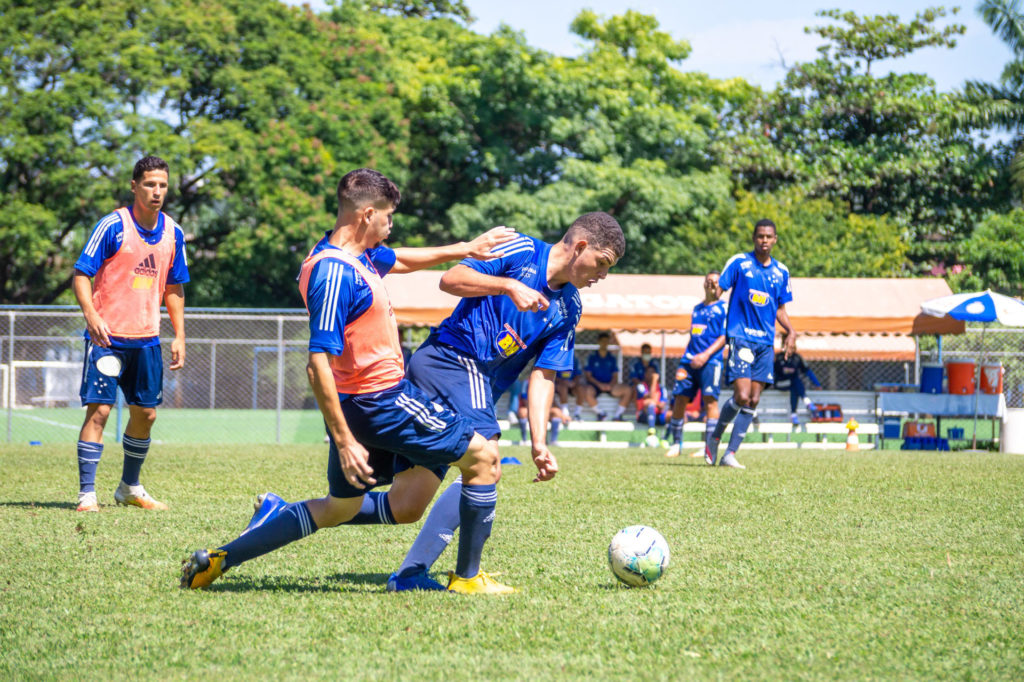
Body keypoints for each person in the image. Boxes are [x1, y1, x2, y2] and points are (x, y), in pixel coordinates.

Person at [180, 168, 522, 595]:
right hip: (379, 403)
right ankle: (469, 579)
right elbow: (317, 361)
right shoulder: (336, 273)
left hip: (365, 405)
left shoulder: (357, 254)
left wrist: (465, 248)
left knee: (355, 508)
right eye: (389, 217)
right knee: (483, 459)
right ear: (366, 214)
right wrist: (344, 442)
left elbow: (400, 260)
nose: (391, 226)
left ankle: (219, 560)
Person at [387, 212, 625, 591]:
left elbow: (544, 375)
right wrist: (507, 287)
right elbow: (451, 279)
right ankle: (467, 578)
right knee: (489, 462)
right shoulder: (521, 250)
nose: (602, 275)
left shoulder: (570, 307)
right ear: (580, 247)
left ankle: (297, 518)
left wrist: (539, 442)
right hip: (452, 360)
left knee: (406, 505)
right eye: (602, 263)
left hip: (475, 385)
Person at [71, 156, 189, 512]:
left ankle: (129, 487)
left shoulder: (174, 233)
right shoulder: (112, 226)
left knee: (146, 414)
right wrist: (91, 315)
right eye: (150, 184)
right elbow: (81, 274)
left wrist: (180, 335)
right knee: (100, 411)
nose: (157, 191)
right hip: (107, 339)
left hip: (147, 340)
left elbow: (174, 287)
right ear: (134, 186)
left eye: (163, 185)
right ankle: (87, 493)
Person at [705, 219, 796, 469]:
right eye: (760, 236)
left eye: (768, 237)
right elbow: (719, 291)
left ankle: (730, 454)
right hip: (741, 336)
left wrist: (791, 331)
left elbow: (780, 309)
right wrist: (713, 292)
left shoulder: (781, 272)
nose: (764, 240)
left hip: (765, 342)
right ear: (753, 238)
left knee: (754, 400)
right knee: (742, 395)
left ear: (775, 239)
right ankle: (714, 437)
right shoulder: (739, 263)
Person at [664, 271, 727, 458]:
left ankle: (708, 447)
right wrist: (694, 356)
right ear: (703, 284)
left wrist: (705, 355)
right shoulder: (696, 309)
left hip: (711, 361)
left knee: (710, 400)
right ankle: (676, 443)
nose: (711, 285)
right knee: (679, 398)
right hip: (688, 360)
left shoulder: (725, 309)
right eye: (708, 281)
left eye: (715, 282)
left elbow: (725, 337)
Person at [579, 331, 633, 420]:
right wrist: (599, 385)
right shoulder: (591, 357)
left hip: (609, 386)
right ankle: (601, 413)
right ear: (598, 342)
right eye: (603, 341)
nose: (605, 343)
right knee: (586, 391)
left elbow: (615, 375)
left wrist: (610, 385)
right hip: (595, 386)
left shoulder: (611, 358)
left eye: (607, 341)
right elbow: (588, 376)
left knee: (627, 390)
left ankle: (617, 416)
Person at [773, 336, 821, 424]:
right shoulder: (778, 357)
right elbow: (771, 371)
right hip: (780, 383)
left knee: (794, 387)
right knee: (795, 380)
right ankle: (807, 402)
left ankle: (794, 415)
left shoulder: (797, 357)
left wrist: (817, 384)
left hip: (792, 384)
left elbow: (807, 371)